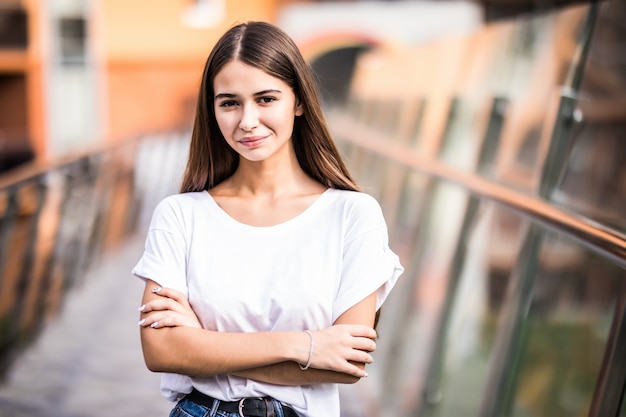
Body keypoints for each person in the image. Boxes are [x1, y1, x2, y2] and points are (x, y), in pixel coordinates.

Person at [132, 21, 403, 417]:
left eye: (266, 99)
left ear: (298, 101)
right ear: (212, 110)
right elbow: (161, 350)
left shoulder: (353, 215)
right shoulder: (180, 215)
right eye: (229, 102)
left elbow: (349, 364)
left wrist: (203, 344)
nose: (247, 121)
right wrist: (306, 346)